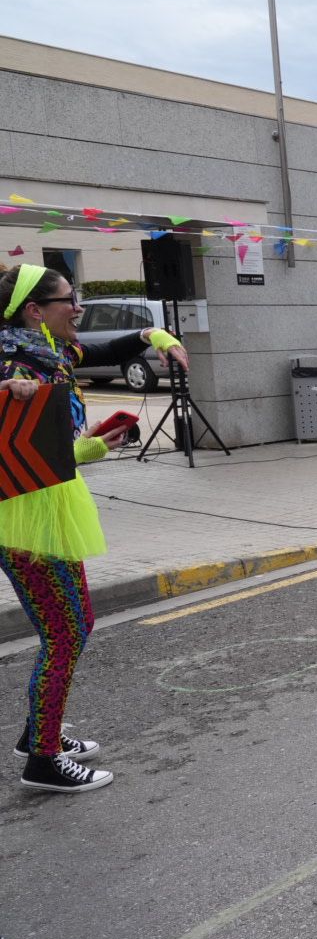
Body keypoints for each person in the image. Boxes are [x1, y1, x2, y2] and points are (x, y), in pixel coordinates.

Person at [1, 264, 183, 792]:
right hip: (26, 514)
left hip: (52, 505)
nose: (77, 307)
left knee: (69, 628)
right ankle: (42, 759)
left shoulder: (52, 353)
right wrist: (100, 443)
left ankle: (40, 732)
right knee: (66, 633)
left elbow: (108, 351)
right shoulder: (15, 366)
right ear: (35, 311)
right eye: (67, 299)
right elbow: (36, 450)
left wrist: (157, 335)